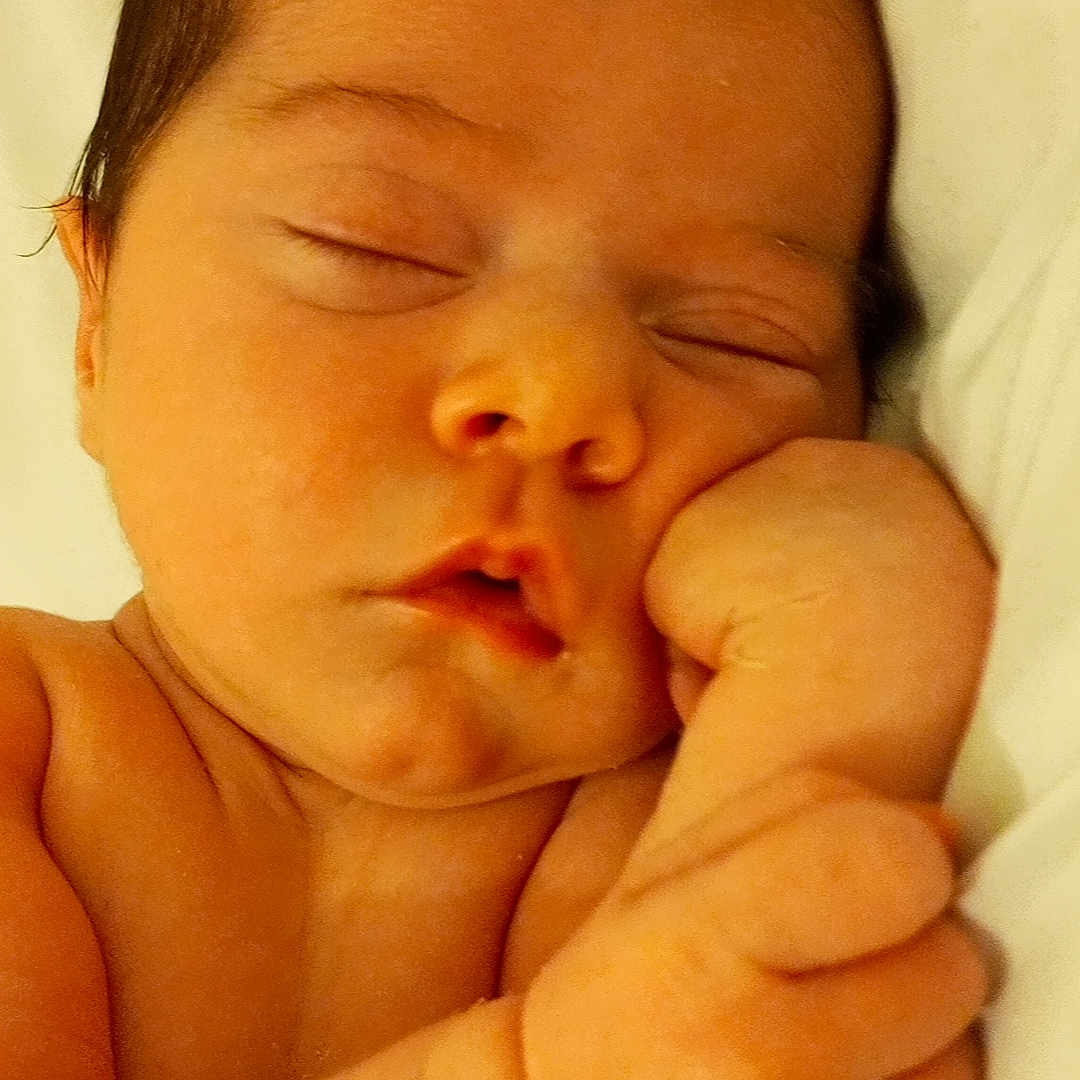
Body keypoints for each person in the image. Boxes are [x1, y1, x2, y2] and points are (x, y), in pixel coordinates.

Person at [2, 0, 993, 1076]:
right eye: (372, 244)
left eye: (734, 334)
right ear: (96, 329)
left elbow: (829, 942)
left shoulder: (721, 768)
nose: (561, 389)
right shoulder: (29, 736)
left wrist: (860, 622)